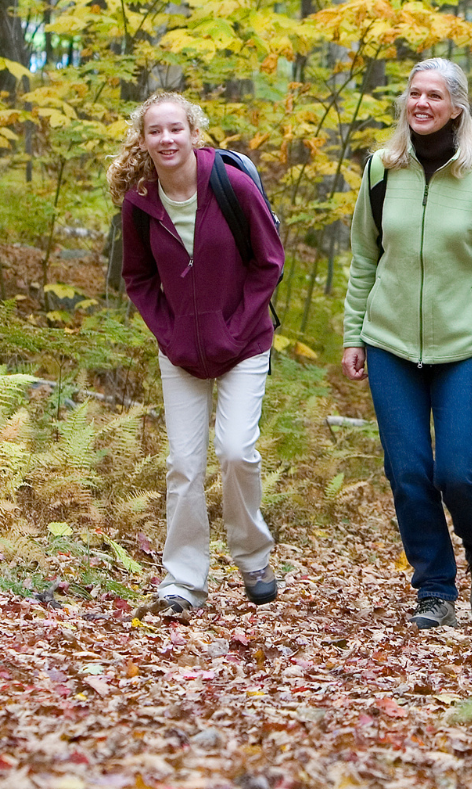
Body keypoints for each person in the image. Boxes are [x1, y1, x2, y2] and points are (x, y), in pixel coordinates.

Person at [341, 58, 472, 630]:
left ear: (456, 107)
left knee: (459, 471)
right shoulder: (380, 170)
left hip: (463, 348)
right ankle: (435, 589)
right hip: (391, 343)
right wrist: (354, 335)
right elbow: (364, 259)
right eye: (414, 94)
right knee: (408, 470)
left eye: (434, 96)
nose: (421, 104)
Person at [110, 91, 285, 619]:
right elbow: (137, 278)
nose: (166, 139)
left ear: (194, 133)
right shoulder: (140, 201)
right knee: (184, 465)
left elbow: (269, 261)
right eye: (155, 131)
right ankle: (183, 581)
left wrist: (235, 326)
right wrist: (169, 333)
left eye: (175, 129)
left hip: (245, 342)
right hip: (180, 350)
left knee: (235, 450)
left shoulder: (230, 185)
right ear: (143, 140)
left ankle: (253, 557)